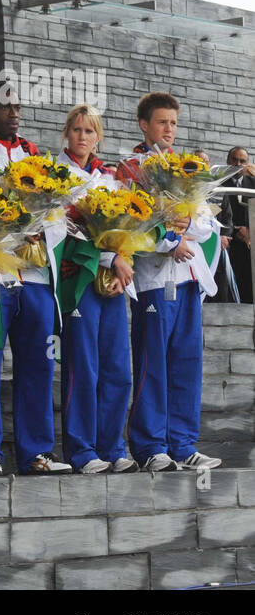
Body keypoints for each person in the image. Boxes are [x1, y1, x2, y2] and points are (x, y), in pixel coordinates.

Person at [0, 81, 71, 475]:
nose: (14, 113)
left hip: (36, 276)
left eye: (18, 107)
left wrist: (42, 232)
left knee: (40, 363)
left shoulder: (37, 157)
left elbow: (59, 214)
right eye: (6, 107)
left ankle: (36, 452)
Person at [116, 92, 222, 471]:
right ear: (144, 124)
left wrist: (188, 226)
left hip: (189, 279)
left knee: (187, 364)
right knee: (153, 365)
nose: (169, 130)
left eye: (174, 123)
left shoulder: (188, 168)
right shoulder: (130, 169)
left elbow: (209, 223)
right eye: (162, 122)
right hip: (153, 282)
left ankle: (183, 443)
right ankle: (149, 447)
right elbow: (126, 225)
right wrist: (169, 240)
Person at [55, 104, 137, 474]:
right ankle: (82, 450)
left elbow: (127, 225)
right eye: (76, 130)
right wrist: (108, 260)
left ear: (99, 136)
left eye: (89, 131)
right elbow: (62, 233)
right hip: (79, 280)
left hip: (113, 284)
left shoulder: (109, 177)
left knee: (118, 368)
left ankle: (113, 446)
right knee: (83, 368)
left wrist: (122, 258)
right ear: (66, 133)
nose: (82, 137)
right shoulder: (55, 176)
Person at [216, 146, 253, 303]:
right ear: (227, 161)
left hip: (249, 244)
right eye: (234, 159)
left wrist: (250, 231)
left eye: (242, 161)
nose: (238, 163)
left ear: (247, 163)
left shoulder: (253, 183)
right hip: (228, 243)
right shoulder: (218, 183)